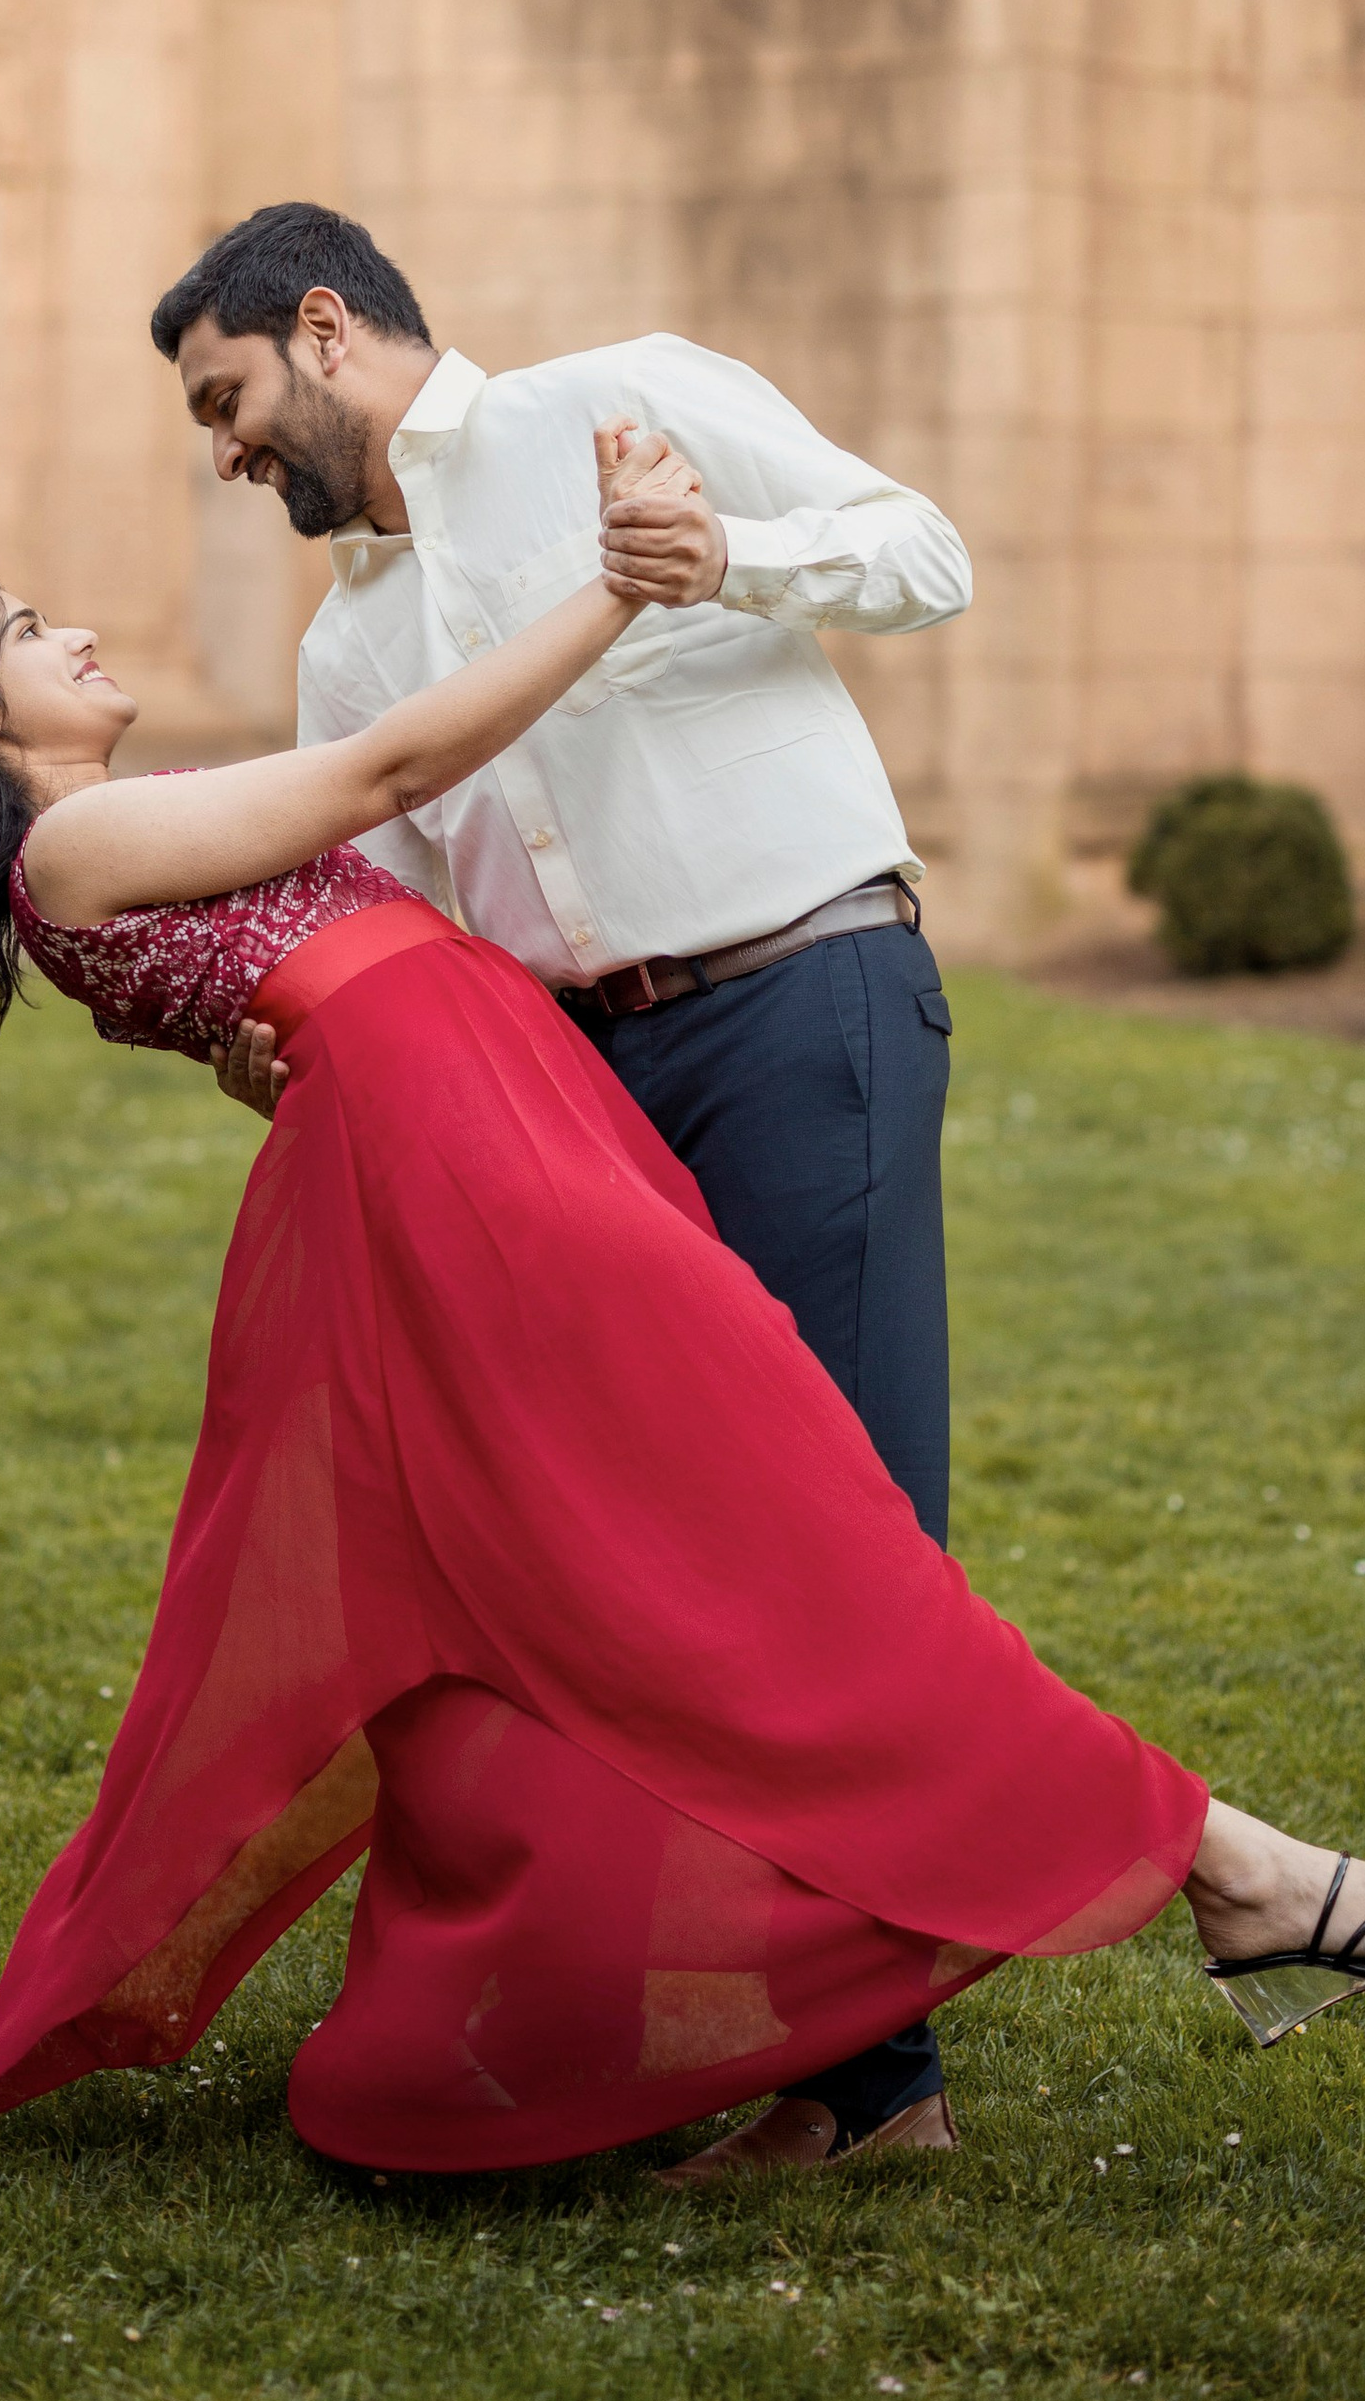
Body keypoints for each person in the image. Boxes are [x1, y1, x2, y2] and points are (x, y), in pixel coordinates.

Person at [0, 443, 1365, 2187]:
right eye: (24, 634)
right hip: (467, 1178)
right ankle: (1233, 1871)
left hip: (486, 1138)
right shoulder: (67, 851)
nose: (71, 630)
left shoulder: (119, 835)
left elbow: (329, 931)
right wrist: (620, 590)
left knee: (683, 1591)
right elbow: (385, 782)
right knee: (794, 1555)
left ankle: (808, 2005)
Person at [152, 202, 974, 2172]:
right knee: (657, 1568)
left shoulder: (633, 399)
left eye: (227, 397)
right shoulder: (345, 643)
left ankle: (874, 2089)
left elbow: (924, 557)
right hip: (578, 1087)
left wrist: (733, 554)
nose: (222, 450)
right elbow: (398, 923)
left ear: (324, 326)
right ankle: (717, 2046)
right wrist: (270, 1029)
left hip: (800, 1003)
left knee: (840, 1532)